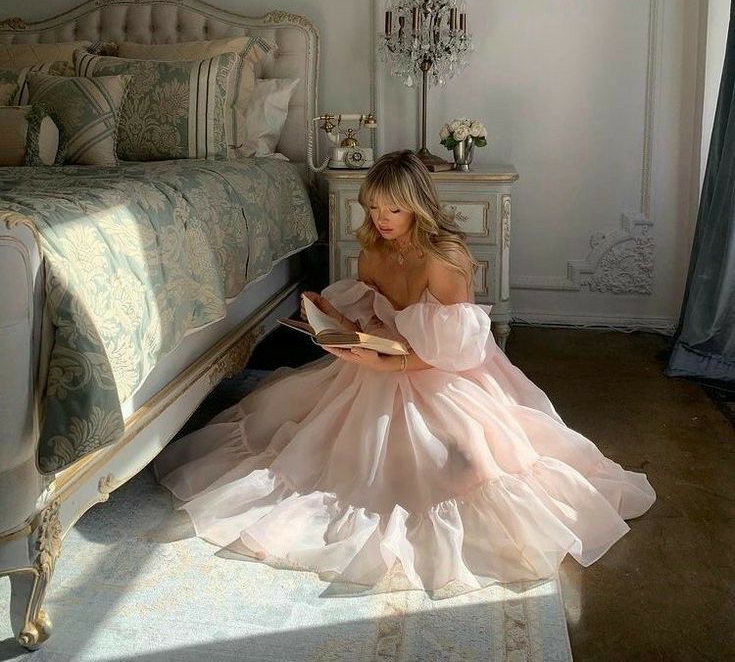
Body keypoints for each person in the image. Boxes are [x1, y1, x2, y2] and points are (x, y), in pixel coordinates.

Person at [155, 150, 655, 596]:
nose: (382, 218)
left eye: (394, 208)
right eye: (373, 206)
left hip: (444, 369)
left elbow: (461, 348)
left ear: (417, 204)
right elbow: (374, 314)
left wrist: (390, 363)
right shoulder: (374, 247)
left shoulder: (444, 258)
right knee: (304, 437)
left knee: (461, 461)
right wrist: (332, 319)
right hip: (382, 358)